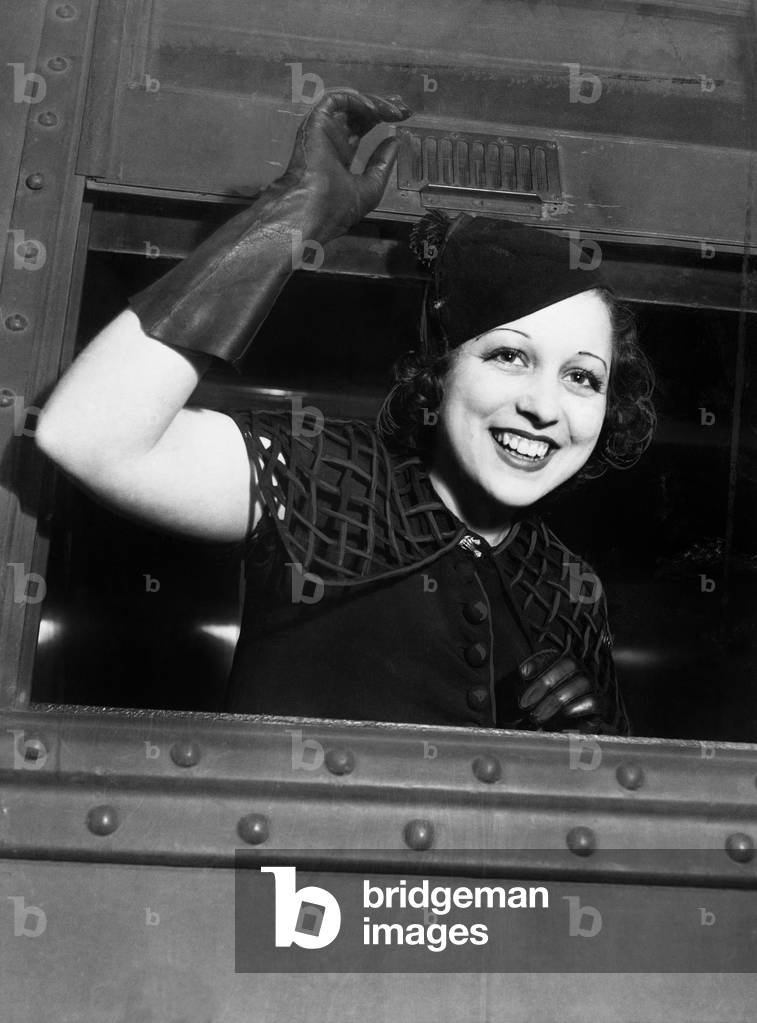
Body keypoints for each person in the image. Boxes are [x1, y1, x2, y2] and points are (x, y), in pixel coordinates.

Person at [36, 89, 655, 734]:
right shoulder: (321, 474)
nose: (543, 406)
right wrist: (289, 219)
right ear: (439, 372)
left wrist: (592, 750)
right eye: (509, 357)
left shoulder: (572, 588)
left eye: (583, 376)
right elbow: (85, 436)